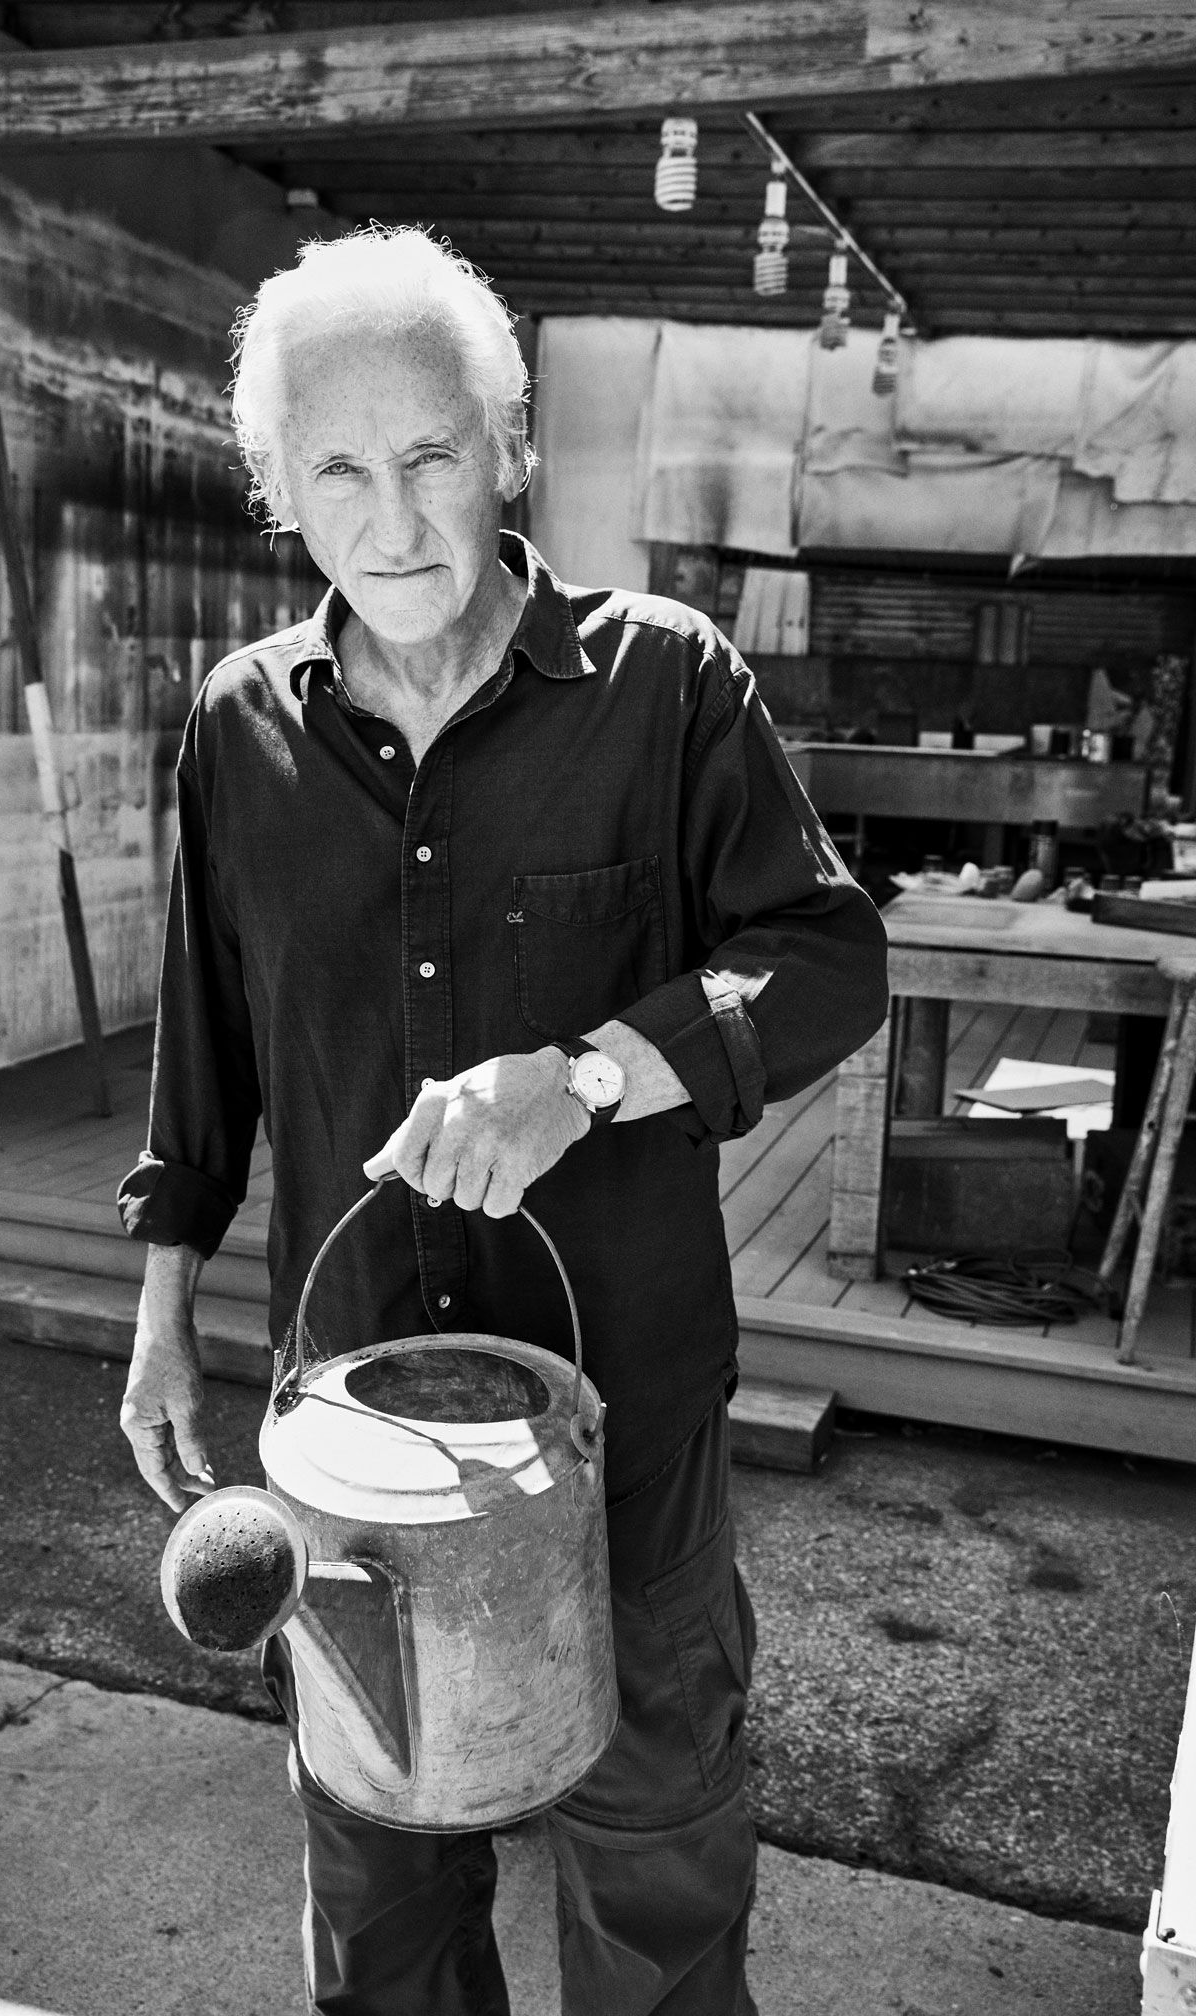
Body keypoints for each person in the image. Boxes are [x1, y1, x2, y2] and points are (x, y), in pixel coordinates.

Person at [118, 225, 888, 2016]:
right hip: (354, 1426)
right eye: (336, 473)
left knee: (655, 1862)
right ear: (279, 496)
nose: (392, 522)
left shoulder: (667, 683)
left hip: (625, 1408)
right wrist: (163, 1321)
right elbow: (207, 1056)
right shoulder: (240, 733)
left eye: (431, 456)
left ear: (511, 447)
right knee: (379, 1875)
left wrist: (596, 1072)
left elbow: (829, 961)